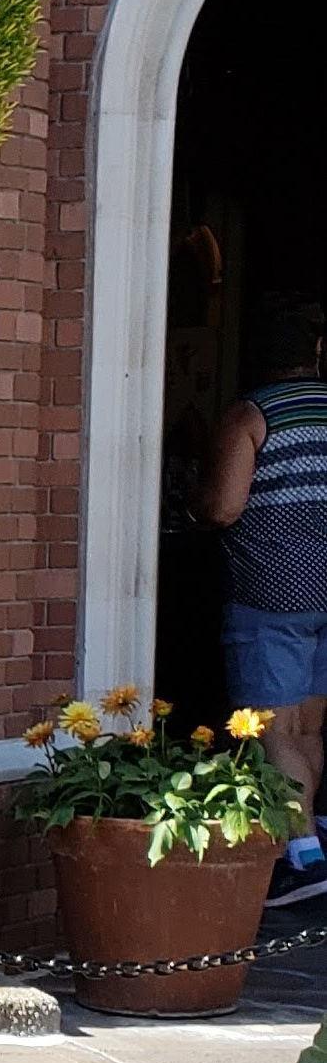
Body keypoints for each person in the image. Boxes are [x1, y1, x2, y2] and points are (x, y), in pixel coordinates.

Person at [195, 300, 327, 914]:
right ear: (314, 352)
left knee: (271, 727)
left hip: (273, 593)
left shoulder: (253, 413)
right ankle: (308, 846)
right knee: (307, 727)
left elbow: (223, 507)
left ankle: (299, 858)